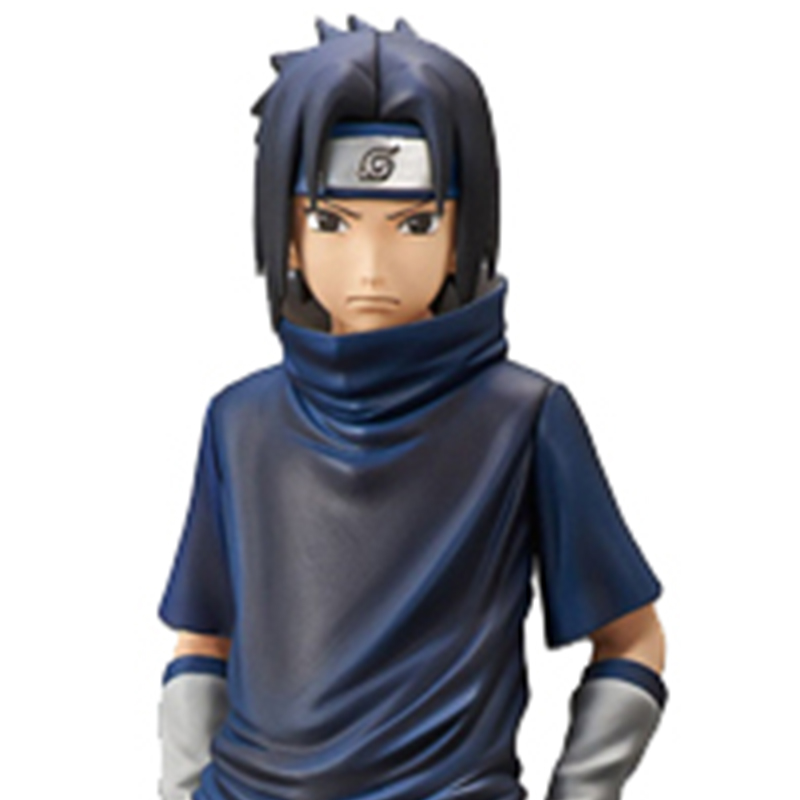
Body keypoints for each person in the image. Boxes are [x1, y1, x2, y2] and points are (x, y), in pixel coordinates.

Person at [158, 17, 667, 800]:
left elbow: (631, 636)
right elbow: (203, 641)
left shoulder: (523, 419)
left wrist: (583, 790)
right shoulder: (240, 422)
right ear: (288, 236)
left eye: (415, 224)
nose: (371, 266)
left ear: (462, 231)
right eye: (331, 222)